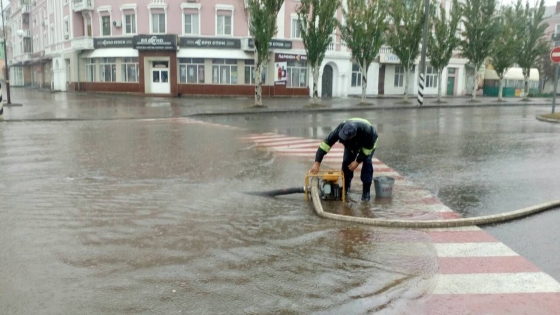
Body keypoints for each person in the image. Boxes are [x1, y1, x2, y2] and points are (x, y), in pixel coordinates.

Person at [310, 118, 378, 201]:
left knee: (367, 163)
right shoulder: (341, 128)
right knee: (347, 162)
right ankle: (346, 188)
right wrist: (317, 162)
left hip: (367, 146)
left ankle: (366, 193)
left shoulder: (369, 132)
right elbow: (326, 143)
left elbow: (367, 150)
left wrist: (357, 161)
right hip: (352, 143)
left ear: (353, 135)